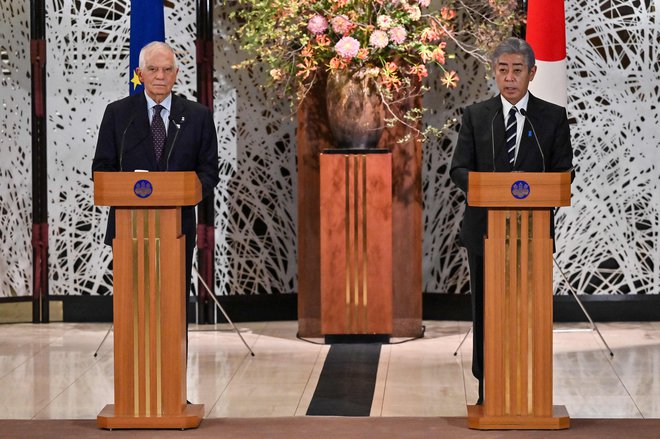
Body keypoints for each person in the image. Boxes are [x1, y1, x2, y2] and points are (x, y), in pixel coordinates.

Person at [449, 37, 573, 405]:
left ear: (532, 73)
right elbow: (458, 169)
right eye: (502, 69)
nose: (509, 77)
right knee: (487, 313)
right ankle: (489, 389)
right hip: (485, 232)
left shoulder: (551, 117)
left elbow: (564, 171)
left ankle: (530, 392)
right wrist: (488, 188)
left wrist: (534, 189)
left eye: (517, 70)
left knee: (528, 313)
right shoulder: (477, 116)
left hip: (532, 235)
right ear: (494, 72)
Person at [92, 41, 219, 313]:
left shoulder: (198, 116)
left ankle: (174, 356)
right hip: (129, 228)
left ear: (176, 73)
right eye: (153, 69)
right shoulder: (118, 114)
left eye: (166, 69)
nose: (160, 76)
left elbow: (209, 171)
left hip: (177, 227)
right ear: (140, 73)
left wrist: (188, 192)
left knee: (172, 305)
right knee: (134, 305)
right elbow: (102, 168)